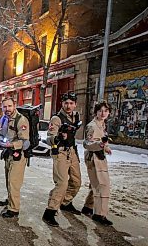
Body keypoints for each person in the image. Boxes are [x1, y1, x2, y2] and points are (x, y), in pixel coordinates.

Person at [42, 92, 82, 227]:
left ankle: (66, 202)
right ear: (62, 104)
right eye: (66, 103)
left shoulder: (76, 116)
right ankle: (50, 211)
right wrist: (58, 137)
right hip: (60, 152)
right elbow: (49, 138)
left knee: (76, 182)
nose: (68, 106)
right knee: (62, 183)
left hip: (72, 151)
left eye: (71, 103)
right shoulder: (56, 118)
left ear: (75, 104)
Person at [0, 97, 30, 218]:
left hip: (18, 155)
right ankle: (10, 199)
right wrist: (0, 140)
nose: (7, 109)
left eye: (9, 106)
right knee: (8, 180)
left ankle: (14, 209)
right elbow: (1, 134)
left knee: (14, 182)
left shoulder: (21, 120)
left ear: (14, 105)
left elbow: (26, 142)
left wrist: (12, 144)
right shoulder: (4, 119)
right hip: (8, 154)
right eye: (5, 107)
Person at [82, 102, 113, 226]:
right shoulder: (92, 126)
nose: (103, 113)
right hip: (93, 157)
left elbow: (102, 140)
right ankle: (99, 214)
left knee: (96, 184)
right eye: (100, 110)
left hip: (100, 156)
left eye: (106, 110)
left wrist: (106, 147)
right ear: (96, 112)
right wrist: (100, 145)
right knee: (102, 185)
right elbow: (87, 143)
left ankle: (88, 207)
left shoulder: (102, 124)